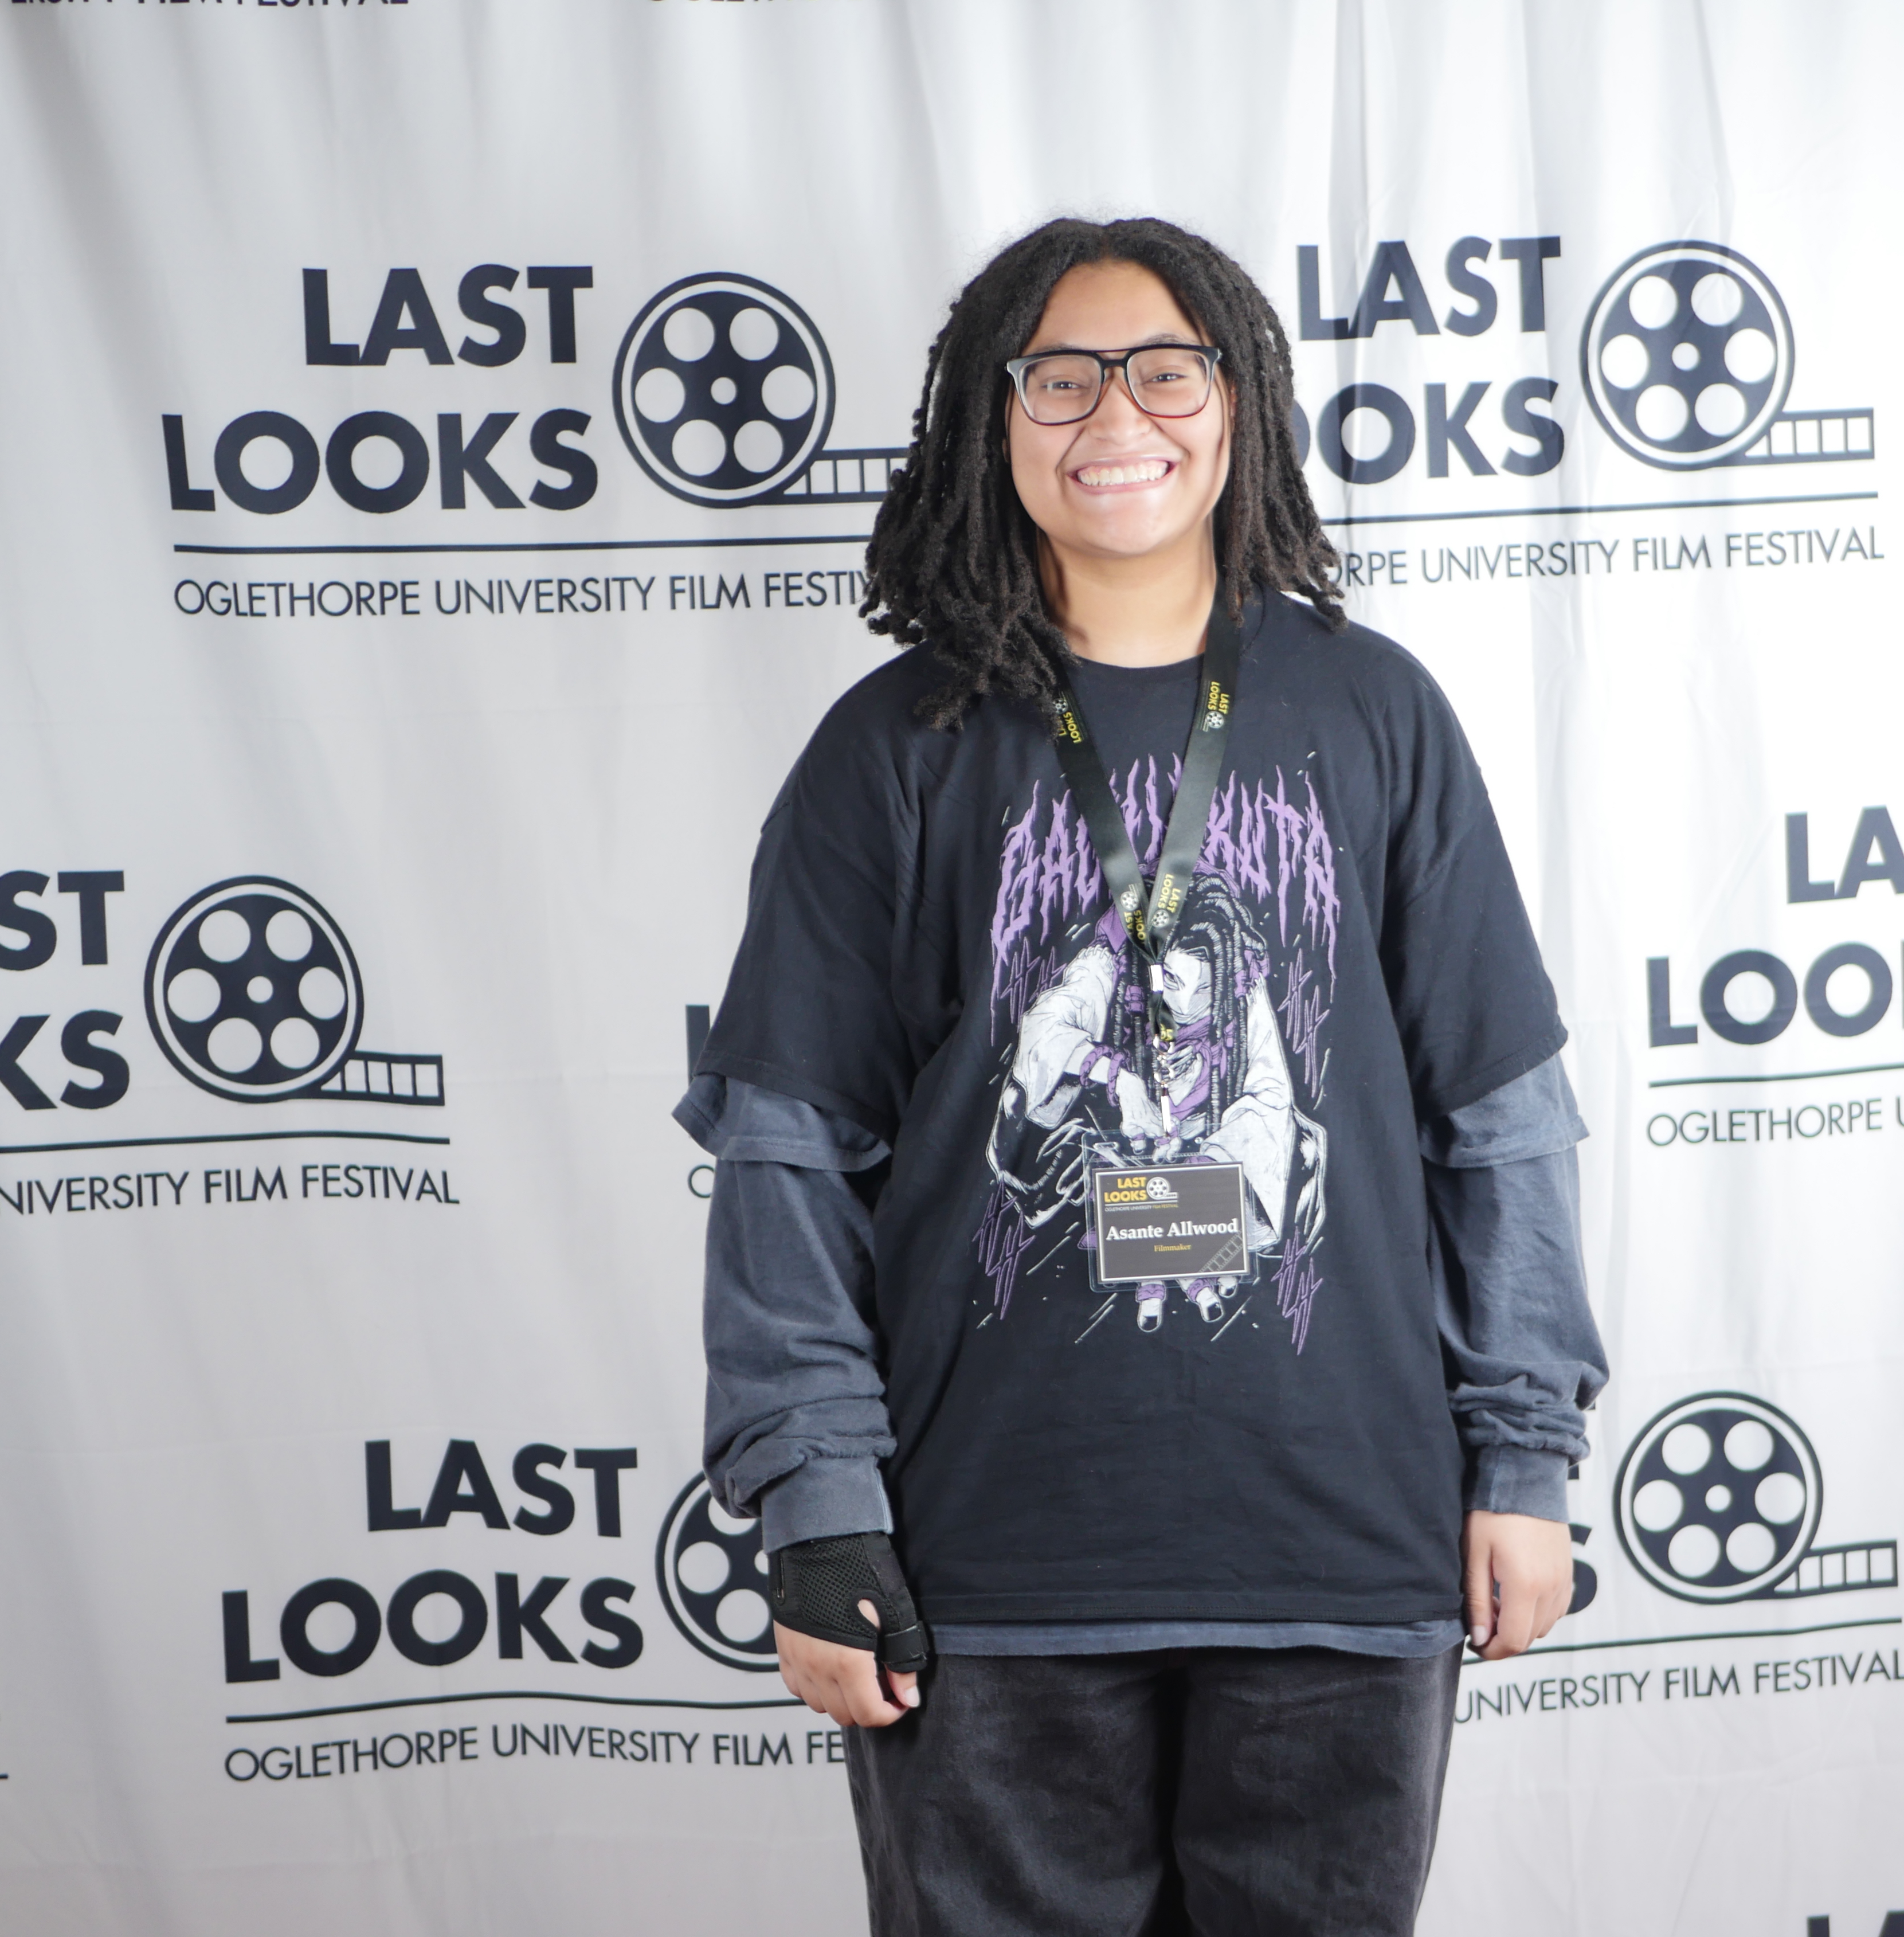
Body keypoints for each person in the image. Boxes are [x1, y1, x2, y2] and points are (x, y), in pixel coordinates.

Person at [678, 216, 1605, 1937]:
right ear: (993, 416)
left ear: (1240, 400)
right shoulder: (895, 747)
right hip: (985, 1570)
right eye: (1063, 376)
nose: (1118, 415)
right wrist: (818, 1506)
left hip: (1344, 1552)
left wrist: (1526, 1456)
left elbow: (1500, 1121)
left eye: (1167, 370)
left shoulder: (1374, 711)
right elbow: (786, 1154)